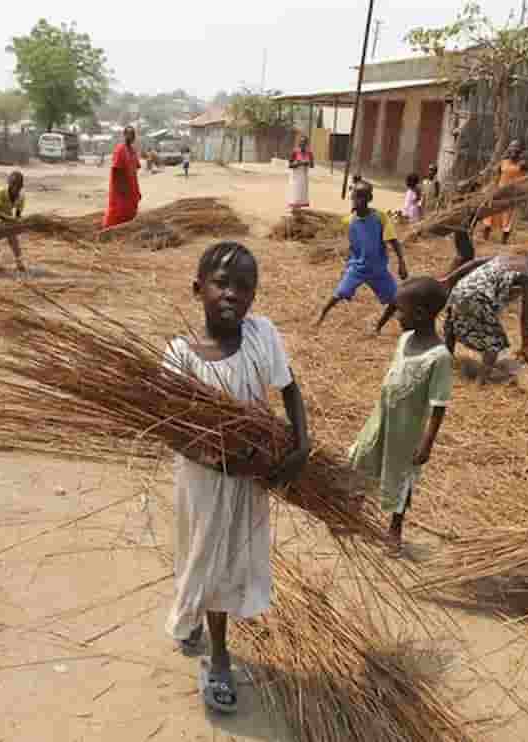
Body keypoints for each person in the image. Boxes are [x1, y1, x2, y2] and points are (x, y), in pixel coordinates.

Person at [164, 241, 310, 714]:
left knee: (224, 562)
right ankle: (218, 654)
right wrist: (220, 459)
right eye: (221, 283)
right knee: (201, 551)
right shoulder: (182, 355)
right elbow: (171, 430)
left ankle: (208, 634)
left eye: (244, 286)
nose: (232, 294)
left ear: (255, 296)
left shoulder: (262, 335)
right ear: (198, 288)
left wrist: (300, 443)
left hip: (250, 477)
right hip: (205, 478)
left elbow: (288, 387)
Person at [349, 277, 452, 552]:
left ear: (419, 314)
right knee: (363, 455)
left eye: (400, 310)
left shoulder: (439, 357)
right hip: (381, 417)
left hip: (407, 430)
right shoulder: (405, 339)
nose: (395, 315)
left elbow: (438, 405)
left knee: (401, 475)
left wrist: (427, 443)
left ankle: (395, 527)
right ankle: (353, 510)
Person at [439, 244, 528, 384]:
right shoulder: (526, 278)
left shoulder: (507, 257)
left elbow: (474, 263)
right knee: (494, 343)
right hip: (477, 298)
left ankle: (444, 364)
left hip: (460, 289)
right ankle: (480, 383)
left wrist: (450, 279)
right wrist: (525, 346)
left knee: (452, 323)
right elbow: (526, 314)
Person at [315, 182, 409, 328]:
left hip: (378, 269)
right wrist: (347, 267)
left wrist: (402, 263)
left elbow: (393, 241)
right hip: (357, 268)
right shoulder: (351, 221)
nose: (355, 201)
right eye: (354, 198)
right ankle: (321, 316)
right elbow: (353, 247)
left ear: (369, 199)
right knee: (339, 293)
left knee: (396, 300)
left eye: (359, 198)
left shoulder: (380, 217)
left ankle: (378, 327)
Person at [481, 140, 525, 243]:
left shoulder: (523, 164)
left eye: (517, 149)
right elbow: (496, 177)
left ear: (520, 151)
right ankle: (485, 239)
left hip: (512, 193)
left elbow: (526, 178)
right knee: (490, 214)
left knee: (507, 216)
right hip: (499, 191)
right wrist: (490, 189)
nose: (514, 150)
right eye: (512, 148)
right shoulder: (503, 162)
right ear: (509, 150)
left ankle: (503, 242)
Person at [0, 170, 27, 273]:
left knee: (12, 235)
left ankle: (19, 261)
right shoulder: (1, 191)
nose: (15, 189)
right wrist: (8, 219)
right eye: (13, 186)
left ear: (20, 187)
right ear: (9, 184)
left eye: (17, 187)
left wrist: (17, 221)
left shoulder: (21, 197)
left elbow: (17, 214)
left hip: (7, 213)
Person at [103, 126, 141, 228]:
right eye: (128, 134)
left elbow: (135, 171)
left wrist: (137, 190)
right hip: (121, 190)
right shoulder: (120, 149)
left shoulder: (133, 151)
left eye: (132, 134)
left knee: (131, 211)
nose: (130, 136)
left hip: (131, 188)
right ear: (124, 135)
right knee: (117, 212)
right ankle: (108, 231)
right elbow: (116, 170)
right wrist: (122, 188)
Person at [287, 135, 314, 212]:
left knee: (301, 195)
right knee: (295, 195)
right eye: (301, 143)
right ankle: (294, 211)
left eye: (305, 143)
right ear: (299, 143)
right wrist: (299, 163)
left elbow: (312, 165)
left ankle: (298, 212)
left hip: (304, 177)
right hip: (295, 177)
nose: (303, 145)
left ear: (307, 144)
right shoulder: (295, 152)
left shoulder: (309, 153)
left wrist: (308, 162)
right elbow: (290, 165)